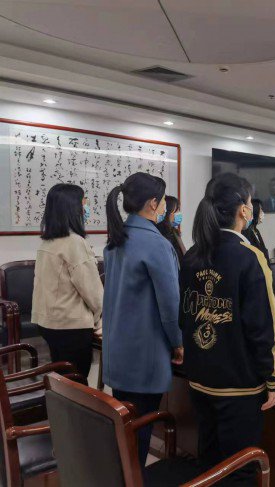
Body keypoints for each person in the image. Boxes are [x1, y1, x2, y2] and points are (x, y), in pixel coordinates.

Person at [180, 173, 275, 485]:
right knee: (240, 469)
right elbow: (262, 328)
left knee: (209, 463)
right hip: (238, 386)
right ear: (243, 210)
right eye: (250, 202)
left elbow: (185, 316)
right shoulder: (250, 257)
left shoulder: (193, 254)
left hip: (199, 378)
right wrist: (273, 378)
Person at [103, 172, 184, 467]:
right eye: (162, 202)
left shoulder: (116, 239)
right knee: (138, 437)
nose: (164, 207)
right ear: (152, 203)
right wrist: (178, 343)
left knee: (124, 433)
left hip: (118, 351)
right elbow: (170, 305)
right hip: (144, 356)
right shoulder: (156, 244)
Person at [32, 184, 103, 378]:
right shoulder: (75, 242)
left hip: (49, 322)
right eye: (83, 202)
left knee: (62, 379)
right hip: (71, 326)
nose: (86, 207)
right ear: (73, 208)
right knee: (77, 381)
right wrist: (99, 321)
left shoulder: (47, 242)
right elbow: (93, 292)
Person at [156, 195, 186, 262]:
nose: (179, 213)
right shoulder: (161, 235)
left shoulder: (174, 232)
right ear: (167, 213)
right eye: (176, 210)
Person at [243, 198, 270, 263]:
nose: (262, 213)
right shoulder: (246, 232)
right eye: (261, 211)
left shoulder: (256, 230)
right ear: (255, 212)